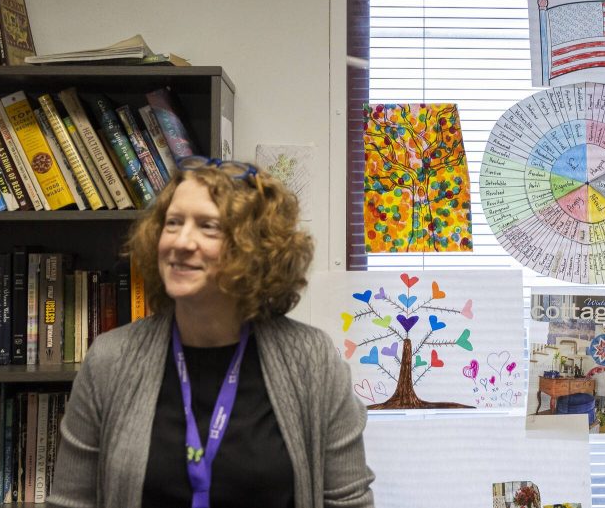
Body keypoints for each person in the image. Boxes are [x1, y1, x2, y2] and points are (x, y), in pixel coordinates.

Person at [48, 156, 376, 508]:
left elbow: (349, 502)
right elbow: (70, 502)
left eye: (207, 226)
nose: (181, 242)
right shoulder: (110, 360)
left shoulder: (314, 362)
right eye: (173, 223)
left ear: (254, 247)